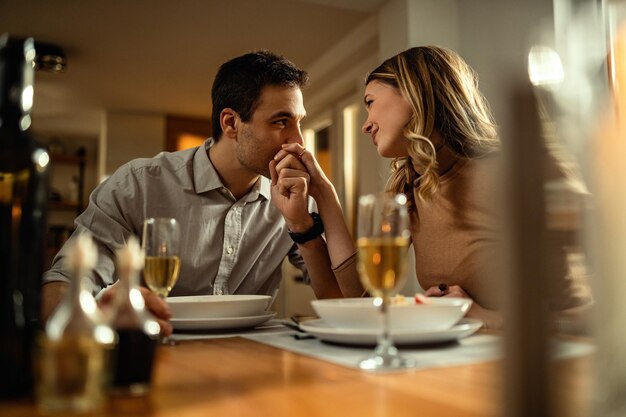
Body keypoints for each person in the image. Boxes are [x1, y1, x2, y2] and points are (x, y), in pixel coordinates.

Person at [271, 46, 593, 329]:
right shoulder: (411, 189)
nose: (365, 123)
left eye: (370, 102)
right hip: (458, 368)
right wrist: (324, 194)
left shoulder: (513, 171)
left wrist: (488, 317)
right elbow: (360, 298)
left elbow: (584, 312)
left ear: (413, 93)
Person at [42, 50, 342, 335]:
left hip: (253, 359)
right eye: (281, 121)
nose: (298, 140)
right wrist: (99, 309)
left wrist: (304, 224)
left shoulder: (293, 199)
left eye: (299, 122)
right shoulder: (138, 185)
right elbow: (61, 287)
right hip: (156, 352)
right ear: (231, 123)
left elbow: (340, 302)